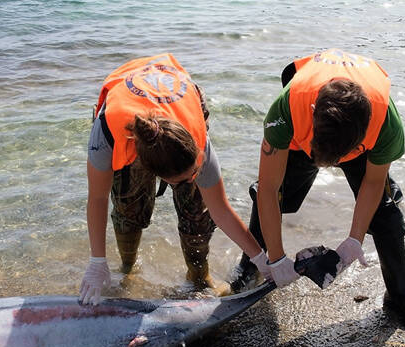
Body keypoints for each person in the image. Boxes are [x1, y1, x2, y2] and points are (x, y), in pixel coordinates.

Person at [232, 49, 405, 332]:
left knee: (384, 211)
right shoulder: (285, 109)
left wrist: (354, 240)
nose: (335, 166)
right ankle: (250, 268)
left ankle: (400, 296)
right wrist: (277, 259)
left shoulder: (386, 124)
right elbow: (269, 188)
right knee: (279, 198)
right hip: (307, 136)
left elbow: (374, 183)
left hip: (349, 137)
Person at [80, 53, 270, 305]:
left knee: (197, 214)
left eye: (195, 169)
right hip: (128, 108)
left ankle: (199, 277)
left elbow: (220, 209)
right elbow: (98, 198)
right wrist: (97, 262)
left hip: (177, 102)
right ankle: (128, 270)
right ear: (160, 177)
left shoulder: (196, 136)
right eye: (185, 177)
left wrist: (262, 260)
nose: (195, 176)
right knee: (129, 208)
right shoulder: (106, 134)